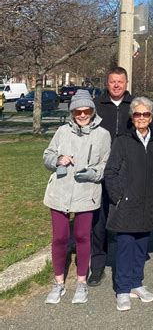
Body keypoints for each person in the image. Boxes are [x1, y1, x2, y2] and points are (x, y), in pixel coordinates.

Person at [43, 90, 111, 304]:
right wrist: (57, 159)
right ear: (72, 112)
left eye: (86, 110)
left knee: (83, 237)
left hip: (86, 194)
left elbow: (105, 165)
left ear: (93, 111)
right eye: (78, 111)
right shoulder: (62, 131)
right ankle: (58, 283)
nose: (82, 115)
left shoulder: (103, 135)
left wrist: (94, 173)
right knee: (60, 238)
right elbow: (47, 156)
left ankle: (81, 283)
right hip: (60, 192)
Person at [104, 96, 153, 311]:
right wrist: (118, 196)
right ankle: (122, 289)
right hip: (127, 204)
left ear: (151, 117)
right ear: (132, 117)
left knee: (141, 247)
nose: (141, 118)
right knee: (125, 247)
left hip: (148, 203)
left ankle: (136, 283)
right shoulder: (123, 141)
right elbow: (110, 172)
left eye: (145, 114)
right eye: (137, 114)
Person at [88, 66, 133, 286]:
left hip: (127, 173)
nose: (116, 85)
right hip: (101, 171)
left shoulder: (135, 106)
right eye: (112, 81)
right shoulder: (97, 106)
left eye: (120, 81)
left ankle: (129, 268)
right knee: (99, 222)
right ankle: (97, 267)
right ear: (107, 83)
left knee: (128, 221)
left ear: (126, 83)